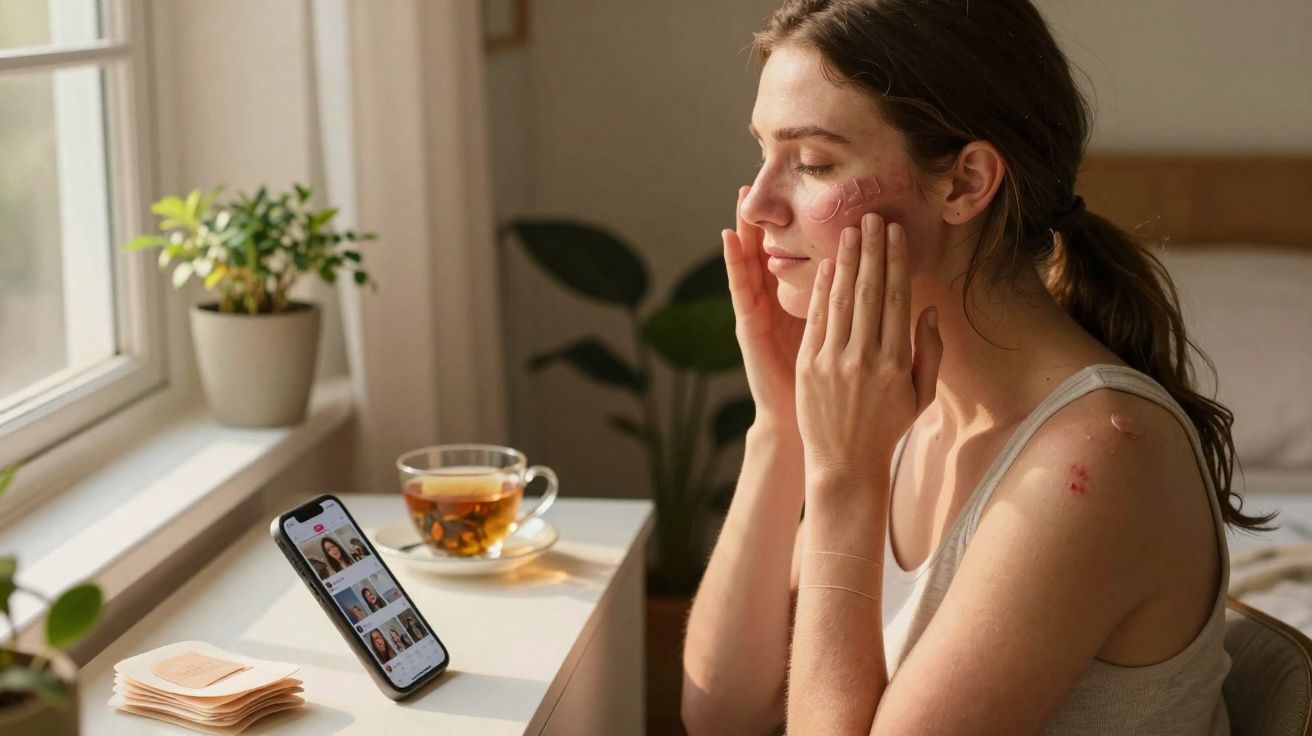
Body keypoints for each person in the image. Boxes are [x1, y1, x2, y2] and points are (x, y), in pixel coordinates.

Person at [681, 1, 1272, 734]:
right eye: (763, 153)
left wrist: (844, 480)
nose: (760, 204)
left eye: (811, 163)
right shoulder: (900, 398)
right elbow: (723, 711)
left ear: (964, 183)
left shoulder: (1098, 458)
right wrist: (782, 428)